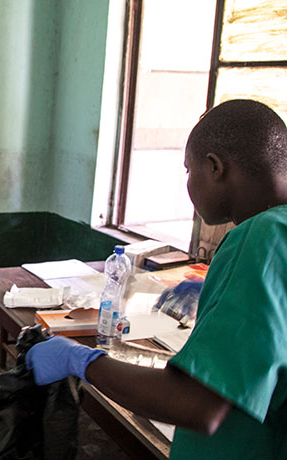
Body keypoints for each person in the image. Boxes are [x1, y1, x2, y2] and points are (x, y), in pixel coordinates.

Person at [26, 99, 287, 460]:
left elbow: (198, 405)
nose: (189, 183)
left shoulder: (261, 238)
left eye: (188, 171)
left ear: (214, 167)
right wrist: (221, 295)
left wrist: (83, 361)